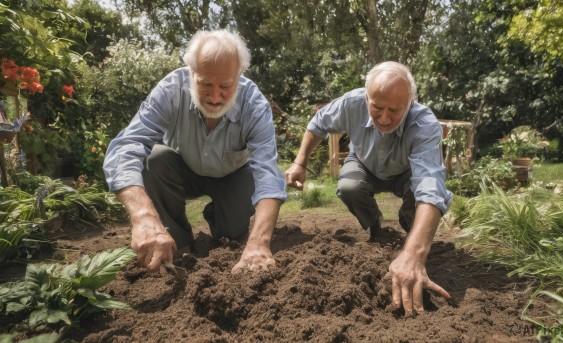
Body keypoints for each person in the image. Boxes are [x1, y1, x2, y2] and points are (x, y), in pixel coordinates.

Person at [103, 29, 287, 274]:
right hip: (183, 169)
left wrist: (259, 243)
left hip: (233, 176)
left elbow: (267, 175)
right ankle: (175, 239)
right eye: (205, 83)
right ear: (191, 73)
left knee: (232, 237)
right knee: (153, 158)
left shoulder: (255, 105)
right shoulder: (170, 90)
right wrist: (144, 217)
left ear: (239, 75)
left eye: (225, 85)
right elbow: (126, 146)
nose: (214, 96)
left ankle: (222, 216)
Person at [284, 61, 453, 315]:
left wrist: (415, 254)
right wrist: (300, 162)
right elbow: (318, 123)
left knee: (418, 200)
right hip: (363, 163)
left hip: (406, 172)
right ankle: (376, 229)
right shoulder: (351, 104)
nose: (384, 118)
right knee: (349, 186)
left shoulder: (425, 124)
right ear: (366, 98)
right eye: (377, 107)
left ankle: (412, 241)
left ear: (410, 103)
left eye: (394, 110)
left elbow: (430, 187)